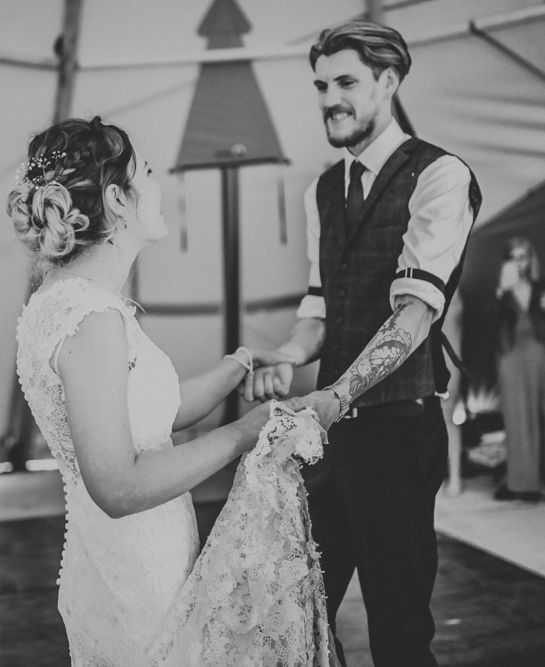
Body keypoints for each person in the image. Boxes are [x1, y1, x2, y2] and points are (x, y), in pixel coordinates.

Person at [8, 117, 334, 665]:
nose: (158, 185)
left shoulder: (67, 303)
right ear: (117, 199)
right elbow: (117, 485)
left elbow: (158, 414)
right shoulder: (92, 319)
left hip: (129, 562)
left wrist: (240, 364)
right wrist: (243, 434)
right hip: (134, 582)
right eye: (147, 172)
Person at [246, 21, 482, 667]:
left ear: (387, 81)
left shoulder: (439, 176)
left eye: (345, 82)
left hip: (398, 431)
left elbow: (411, 318)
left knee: (399, 630)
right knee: (300, 613)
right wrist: (289, 355)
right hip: (330, 434)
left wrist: (335, 393)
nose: (328, 98)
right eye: (320, 85)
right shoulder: (320, 189)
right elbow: (321, 306)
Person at [493, 236, 545, 502]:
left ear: (530, 258)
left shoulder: (538, 289)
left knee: (536, 417)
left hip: (537, 355)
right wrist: (503, 291)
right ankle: (518, 482)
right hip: (511, 357)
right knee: (515, 419)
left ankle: (533, 482)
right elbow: (496, 327)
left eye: (523, 256)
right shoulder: (502, 292)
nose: (519, 262)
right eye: (513, 257)